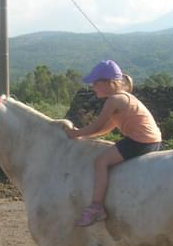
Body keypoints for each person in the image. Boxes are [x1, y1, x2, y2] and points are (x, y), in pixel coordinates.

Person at [64, 60, 162, 227]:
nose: (93, 87)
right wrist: (84, 137)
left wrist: (74, 133)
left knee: (100, 162)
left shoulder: (114, 100)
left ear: (109, 83)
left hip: (140, 141)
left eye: (96, 83)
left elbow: (97, 125)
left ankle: (96, 207)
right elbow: (106, 129)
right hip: (151, 139)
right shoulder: (122, 98)